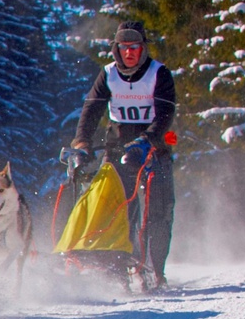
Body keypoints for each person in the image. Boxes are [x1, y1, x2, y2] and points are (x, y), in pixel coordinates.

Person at [70, 20, 177, 289]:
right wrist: (82, 142)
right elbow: (91, 111)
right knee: (116, 209)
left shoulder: (159, 73)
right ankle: (119, 268)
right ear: (116, 49)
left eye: (135, 47)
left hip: (154, 149)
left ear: (143, 48)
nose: (129, 52)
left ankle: (156, 271)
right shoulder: (108, 74)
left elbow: (165, 115)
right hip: (117, 148)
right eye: (124, 46)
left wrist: (146, 141)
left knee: (159, 211)